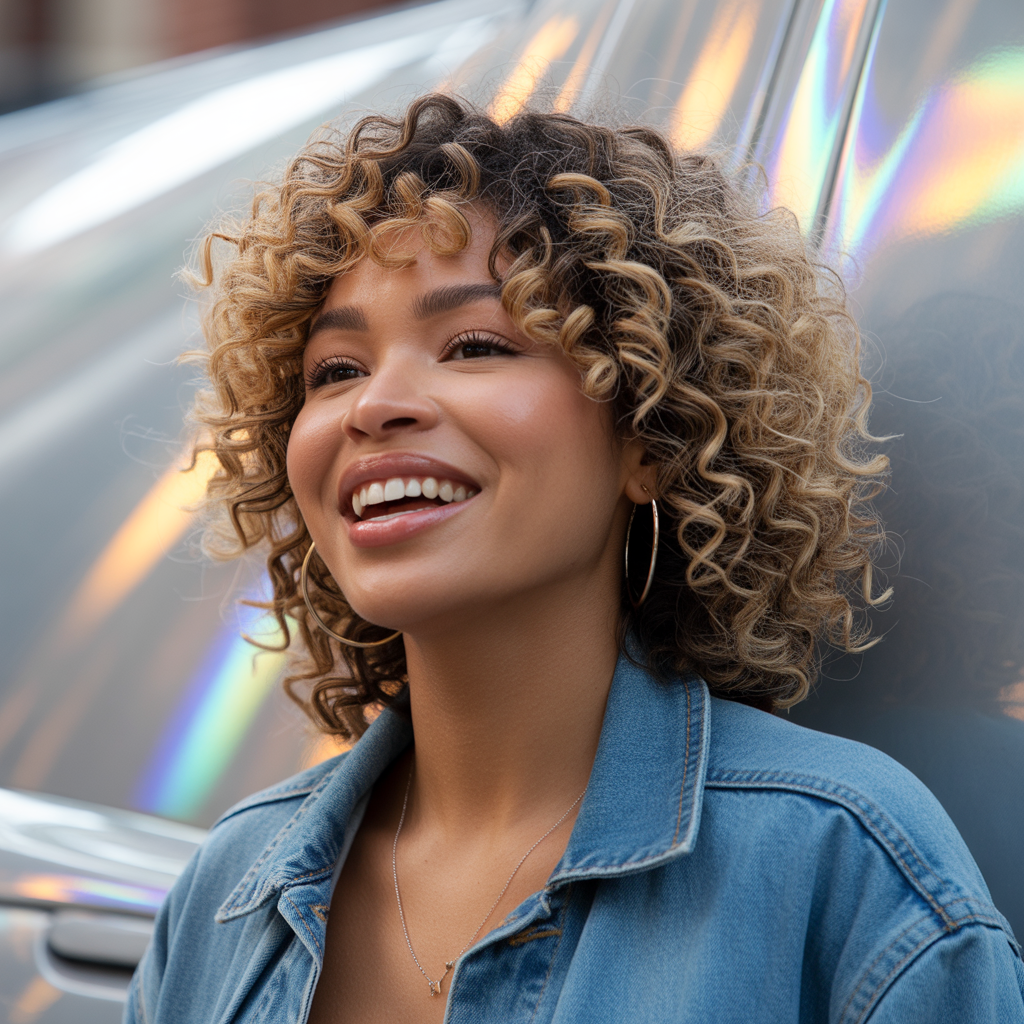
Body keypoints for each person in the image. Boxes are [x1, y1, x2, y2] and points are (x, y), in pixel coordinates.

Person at [125, 94, 1024, 1023]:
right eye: (335, 371)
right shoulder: (229, 894)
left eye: (474, 345)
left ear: (654, 437)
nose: (372, 405)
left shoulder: (846, 867)